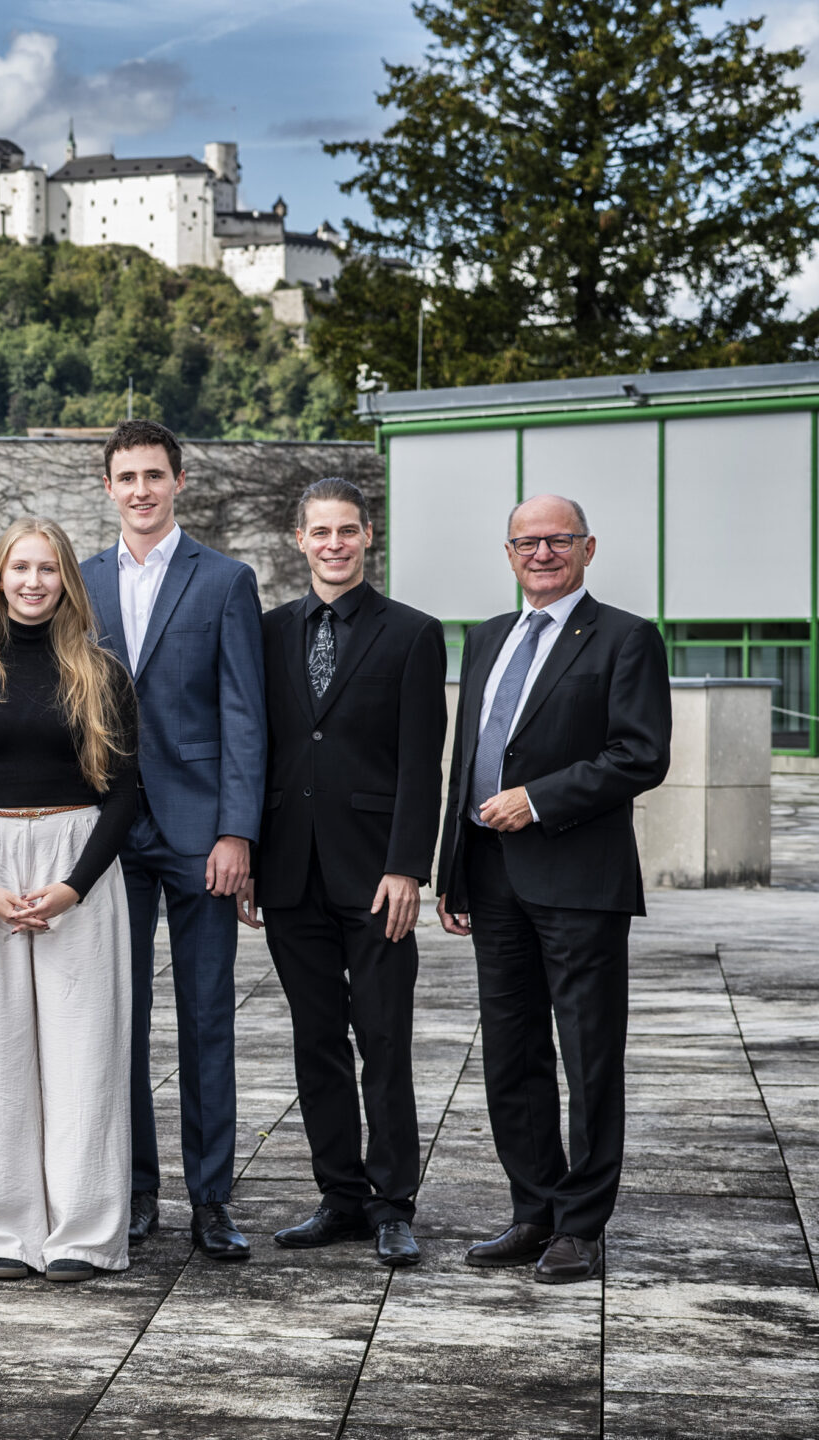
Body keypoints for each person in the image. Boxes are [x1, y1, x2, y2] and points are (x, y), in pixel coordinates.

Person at [436, 495, 669, 1284]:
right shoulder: (488, 638)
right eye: (526, 541)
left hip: (578, 878)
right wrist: (451, 868)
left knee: (588, 1056)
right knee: (511, 1053)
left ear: (587, 548)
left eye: (557, 540)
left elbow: (640, 755)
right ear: (508, 553)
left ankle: (581, 1225)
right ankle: (532, 1211)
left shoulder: (626, 638)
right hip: (491, 876)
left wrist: (538, 799)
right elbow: (467, 760)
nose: (542, 552)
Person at [240, 479, 445, 1268]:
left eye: (347, 531)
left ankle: (395, 1204)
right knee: (315, 1039)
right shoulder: (267, 632)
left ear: (368, 537)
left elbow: (422, 763)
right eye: (319, 532)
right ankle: (340, 1197)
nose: (334, 544)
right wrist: (251, 854)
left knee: (385, 1038)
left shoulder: (412, 634)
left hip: (374, 876)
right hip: (290, 872)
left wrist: (407, 867)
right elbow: (257, 752)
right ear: (298, 539)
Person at [77, 418, 264, 1261]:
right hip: (107, 832)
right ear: (108, 486)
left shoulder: (225, 580)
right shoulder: (78, 582)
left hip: (198, 838)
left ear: (179, 482)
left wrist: (236, 832)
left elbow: (243, 717)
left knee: (205, 1020)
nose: (142, 489)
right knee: (117, 1019)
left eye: (155, 475)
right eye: (127, 477)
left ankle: (212, 1200)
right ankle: (136, 1190)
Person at [0, 517, 141, 1284]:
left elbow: (124, 796)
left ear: (66, 583)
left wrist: (71, 887)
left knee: (83, 1055)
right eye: (19, 569)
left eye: (47, 570)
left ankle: (82, 1235)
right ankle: (1, 1232)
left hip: (76, 866)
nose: (32, 582)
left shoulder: (103, 673)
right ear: (0, 582)